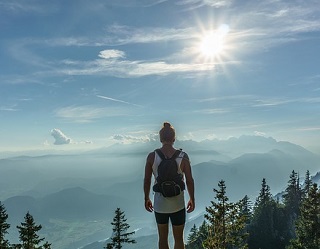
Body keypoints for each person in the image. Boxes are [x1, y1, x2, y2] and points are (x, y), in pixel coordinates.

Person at [144, 122, 195, 249]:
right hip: (178, 203)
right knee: (179, 240)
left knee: (162, 239)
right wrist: (192, 199)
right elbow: (189, 180)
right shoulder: (183, 156)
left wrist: (146, 198)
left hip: (160, 204)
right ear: (174, 138)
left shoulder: (152, 156)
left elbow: (146, 180)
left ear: (160, 139)